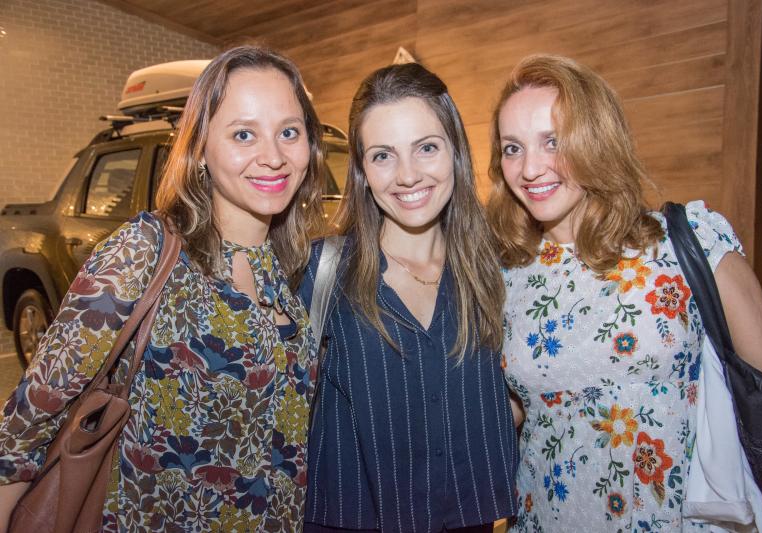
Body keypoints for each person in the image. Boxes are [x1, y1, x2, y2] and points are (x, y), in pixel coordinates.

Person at [0, 45, 325, 531]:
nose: (274, 156)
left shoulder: (289, 265)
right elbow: (26, 426)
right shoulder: (145, 248)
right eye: (243, 133)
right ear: (200, 148)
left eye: (289, 132)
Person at [487, 54, 762, 531]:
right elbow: (517, 405)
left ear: (596, 139)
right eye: (513, 148)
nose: (530, 168)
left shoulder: (686, 242)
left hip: (678, 518)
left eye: (553, 141)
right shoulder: (507, 275)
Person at [300, 63, 518, 532]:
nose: (408, 175)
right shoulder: (321, 272)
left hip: (468, 522)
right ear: (362, 170)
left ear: (455, 150)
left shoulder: (498, 271)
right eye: (383, 155)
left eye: (426, 148)